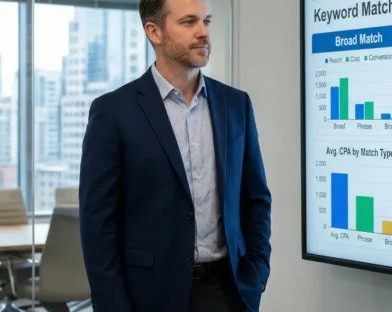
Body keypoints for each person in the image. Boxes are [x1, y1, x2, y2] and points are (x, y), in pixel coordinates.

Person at [78, 0, 272, 311]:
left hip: (228, 292)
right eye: (188, 22)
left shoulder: (235, 104)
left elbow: (255, 197)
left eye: (206, 21)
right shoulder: (114, 112)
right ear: (154, 31)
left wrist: (258, 270)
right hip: (148, 296)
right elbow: (98, 224)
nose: (203, 32)